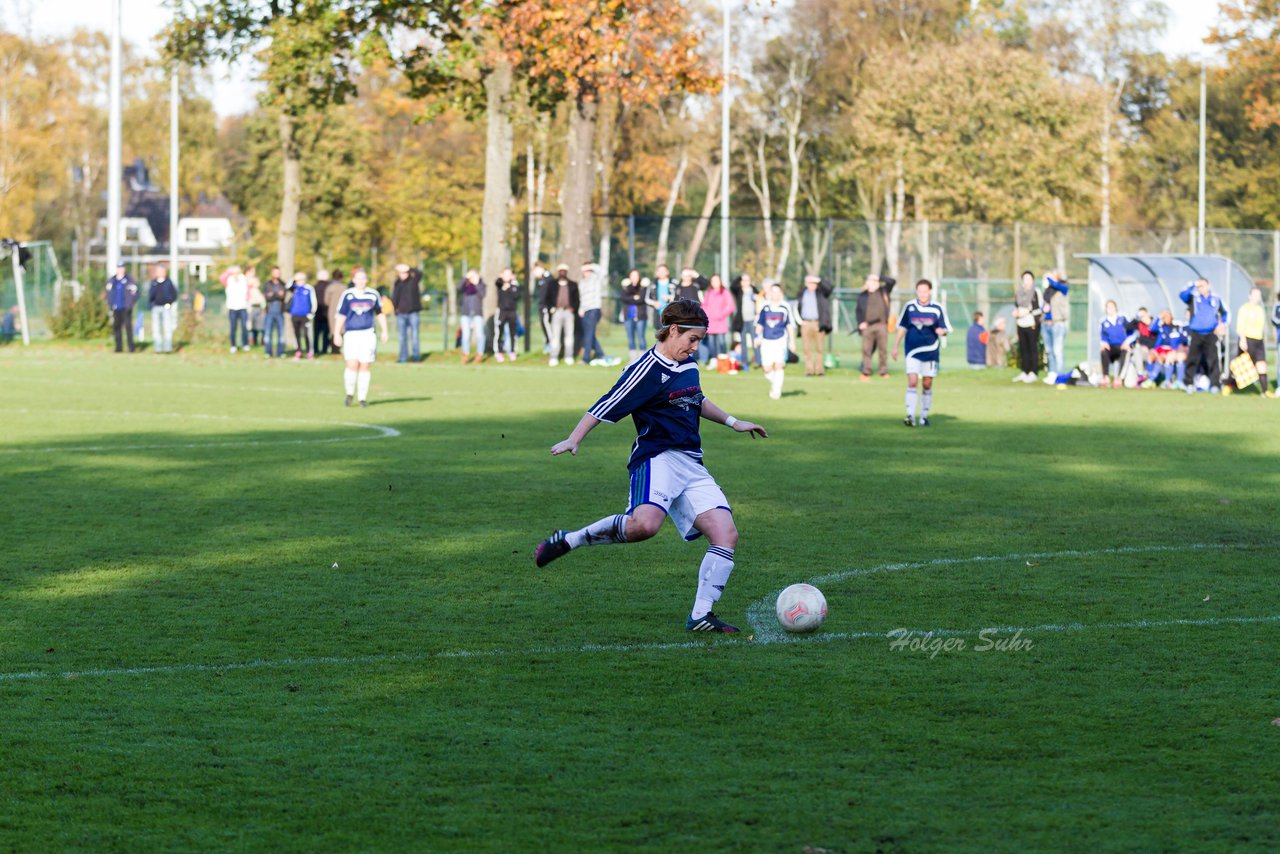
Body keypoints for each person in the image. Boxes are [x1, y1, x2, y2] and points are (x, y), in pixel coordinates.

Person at [532, 299, 769, 634]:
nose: (696, 346)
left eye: (700, 339)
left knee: (726, 534)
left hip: (691, 462)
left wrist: (733, 422)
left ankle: (701, 616)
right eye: (692, 339)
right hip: (657, 458)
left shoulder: (688, 364)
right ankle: (571, 540)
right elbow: (606, 403)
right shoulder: (645, 370)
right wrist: (575, 438)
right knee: (643, 527)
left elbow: (695, 398)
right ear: (672, 330)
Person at [892, 279, 951, 427]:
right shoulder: (910, 307)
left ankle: (923, 416)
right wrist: (895, 346)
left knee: (927, 383)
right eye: (919, 291)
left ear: (930, 291)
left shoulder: (937, 308)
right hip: (912, 350)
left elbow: (945, 329)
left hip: (931, 351)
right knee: (912, 381)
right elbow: (902, 327)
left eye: (925, 291)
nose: (922, 294)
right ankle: (910, 416)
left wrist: (941, 332)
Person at [333, 268, 389, 407]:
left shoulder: (372, 294)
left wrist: (385, 331)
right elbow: (341, 315)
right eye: (358, 278)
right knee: (352, 364)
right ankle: (349, 393)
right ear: (353, 280)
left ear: (366, 280)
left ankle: (362, 397)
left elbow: (379, 313)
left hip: (368, 333)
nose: (361, 281)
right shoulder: (348, 295)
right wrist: (336, 333)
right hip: (352, 334)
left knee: (365, 365)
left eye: (363, 278)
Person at [1179, 277, 1228, 393]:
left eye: (1203, 286)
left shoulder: (1216, 299)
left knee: (1213, 359)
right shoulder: (1194, 298)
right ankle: (1189, 383)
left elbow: (1226, 313)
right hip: (1196, 333)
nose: (1201, 288)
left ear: (1208, 285)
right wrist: (1193, 285)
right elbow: (1182, 295)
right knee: (1192, 359)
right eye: (1199, 286)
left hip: (1211, 333)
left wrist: (1222, 325)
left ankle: (1215, 384)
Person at [754, 281, 796, 400]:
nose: (775, 294)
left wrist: (792, 341)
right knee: (767, 369)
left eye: (778, 292)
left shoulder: (785, 307)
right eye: (773, 291)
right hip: (766, 341)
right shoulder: (765, 307)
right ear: (770, 293)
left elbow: (789, 325)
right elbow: (760, 323)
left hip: (780, 340)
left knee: (779, 365)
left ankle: (776, 391)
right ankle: (775, 384)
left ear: (781, 293)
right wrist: (757, 336)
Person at [1227, 286, 1270, 396]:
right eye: (1255, 295)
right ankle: (1228, 386)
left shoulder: (1260, 309)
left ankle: (1265, 391)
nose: (1257, 298)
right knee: (1241, 366)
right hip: (1247, 339)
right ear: (1250, 296)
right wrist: (1242, 339)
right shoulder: (1244, 308)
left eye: (1259, 295)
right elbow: (1241, 325)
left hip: (1258, 340)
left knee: (1262, 365)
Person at [856, 273, 895, 380]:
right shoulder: (863, 295)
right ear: (867, 283)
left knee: (882, 350)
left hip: (881, 325)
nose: (873, 283)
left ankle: (883, 371)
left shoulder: (883, 291)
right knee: (866, 350)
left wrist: (879, 277)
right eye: (871, 281)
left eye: (875, 281)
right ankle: (866, 371)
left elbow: (892, 281)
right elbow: (858, 311)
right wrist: (860, 322)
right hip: (868, 326)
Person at [541, 265, 579, 366]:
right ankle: (554, 357)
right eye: (561, 271)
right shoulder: (552, 284)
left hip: (568, 312)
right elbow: (547, 298)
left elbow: (576, 300)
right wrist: (551, 308)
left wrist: (573, 308)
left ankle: (569, 356)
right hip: (556, 312)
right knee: (555, 336)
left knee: (569, 336)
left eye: (564, 271)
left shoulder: (573, 285)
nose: (562, 272)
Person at [578, 261, 614, 366]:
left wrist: (591, 266)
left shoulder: (596, 279)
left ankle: (586, 358)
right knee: (589, 334)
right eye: (584, 270)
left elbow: (604, 272)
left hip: (594, 309)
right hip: (585, 310)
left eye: (587, 270)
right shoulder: (582, 282)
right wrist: (581, 308)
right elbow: (582, 297)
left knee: (588, 335)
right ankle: (600, 354)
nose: (586, 272)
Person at [1011, 270, 1041, 382]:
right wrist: (1016, 312)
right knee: (1023, 348)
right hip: (1021, 323)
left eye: (1029, 279)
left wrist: (1027, 312)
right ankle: (1025, 371)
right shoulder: (1019, 292)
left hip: (1032, 323)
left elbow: (1039, 309)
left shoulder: (1036, 292)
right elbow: (1016, 306)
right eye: (1025, 279)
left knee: (1032, 348)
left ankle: (1033, 371)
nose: (1026, 281)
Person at [391, 263, 423, 363]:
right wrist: (394, 308)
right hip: (400, 313)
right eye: (401, 273)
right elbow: (395, 297)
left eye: (405, 272)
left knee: (414, 336)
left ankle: (416, 357)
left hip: (413, 313)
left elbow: (419, 273)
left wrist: (409, 268)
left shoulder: (413, 281)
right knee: (402, 337)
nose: (403, 274)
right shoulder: (397, 283)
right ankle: (403, 358)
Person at [701, 274, 736, 366]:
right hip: (711, 322)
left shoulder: (725, 292)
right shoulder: (709, 293)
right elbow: (705, 305)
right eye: (713, 281)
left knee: (722, 342)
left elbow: (730, 306)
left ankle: (723, 361)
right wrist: (705, 314)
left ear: (720, 281)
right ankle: (713, 360)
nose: (715, 283)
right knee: (711, 342)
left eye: (717, 280)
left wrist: (721, 314)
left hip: (720, 322)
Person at [105, 262, 139, 353]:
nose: (120, 269)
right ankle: (118, 347)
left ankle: (131, 347)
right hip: (116, 308)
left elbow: (135, 293)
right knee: (116, 327)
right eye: (119, 268)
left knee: (128, 327)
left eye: (122, 268)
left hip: (126, 308)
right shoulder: (112, 281)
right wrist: (110, 303)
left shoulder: (129, 280)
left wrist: (130, 304)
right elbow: (108, 293)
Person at [1041, 271, 1070, 376]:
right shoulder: (1048, 290)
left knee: (1057, 351)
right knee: (1049, 351)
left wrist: (1048, 277)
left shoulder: (1063, 287)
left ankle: (1060, 374)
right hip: (1046, 323)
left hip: (1057, 324)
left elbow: (1056, 285)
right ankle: (1052, 374)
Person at [620, 269, 651, 364]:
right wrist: (634, 297)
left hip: (640, 316)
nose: (634, 278)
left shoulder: (643, 287)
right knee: (630, 338)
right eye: (632, 275)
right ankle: (633, 359)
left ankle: (643, 358)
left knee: (641, 337)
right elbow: (623, 298)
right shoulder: (626, 287)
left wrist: (631, 299)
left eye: (636, 275)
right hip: (628, 316)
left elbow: (641, 299)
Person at [1151, 309, 1188, 389]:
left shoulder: (1177, 327)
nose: (1166, 318)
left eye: (1168, 316)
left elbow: (1182, 340)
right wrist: (1159, 317)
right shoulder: (1161, 328)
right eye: (1165, 317)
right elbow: (1152, 328)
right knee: (1152, 356)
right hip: (1161, 350)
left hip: (1173, 350)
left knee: (1172, 357)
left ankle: (1179, 381)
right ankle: (1153, 380)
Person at [729, 273, 758, 371]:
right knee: (744, 343)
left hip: (753, 320)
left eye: (747, 280)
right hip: (742, 321)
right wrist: (740, 276)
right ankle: (745, 363)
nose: (745, 282)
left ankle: (758, 361)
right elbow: (732, 286)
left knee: (755, 341)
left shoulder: (754, 290)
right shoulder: (739, 291)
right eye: (743, 280)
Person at [147, 263, 178, 354]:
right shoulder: (154, 282)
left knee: (167, 327)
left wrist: (170, 302)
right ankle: (158, 348)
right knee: (156, 328)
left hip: (166, 308)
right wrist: (151, 304)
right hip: (156, 308)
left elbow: (174, 294)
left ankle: (168, 348)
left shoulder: (168, 282)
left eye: (162, 271)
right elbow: (150, 295)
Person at [1098, 300, 1130, 388]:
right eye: (1108, 307)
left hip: (1121, 346)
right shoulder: (1103, 321)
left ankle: (1119, 378)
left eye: (1111, 307)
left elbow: (1132, 331)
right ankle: (1105, 377)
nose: (1110, 309)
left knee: (1126, 351)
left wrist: (1127, 342)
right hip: (1110, 347)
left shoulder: (1123, 319)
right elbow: (1101, 335)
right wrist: (1103, 343)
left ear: (1115, 308)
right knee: (1103, 351)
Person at [458, 269, 486, 363]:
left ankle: (479, 354)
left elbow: (482, 295)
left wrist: (477, 284)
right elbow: (458, 288)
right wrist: (465, 278)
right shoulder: (466, 286)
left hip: (477, 313)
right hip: (466, 313)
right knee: (466, 335)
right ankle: (465, 355)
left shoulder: (481, 285)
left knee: (480, 335)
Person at [287, 271, 316, 359]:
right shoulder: (294, 288)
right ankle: (298, 351)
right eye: (298, 280)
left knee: (307, 334)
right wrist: (294, 278)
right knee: (297, 334)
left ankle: (309, 352)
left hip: (305, 316)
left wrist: (311, 314)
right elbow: (287, 286)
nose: (300, 281)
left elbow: (314, 302)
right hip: (295, 315)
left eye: (301, 279)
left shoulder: (309, 288)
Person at [495, 268, 521, 362]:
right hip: (502, 312)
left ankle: (512, 351)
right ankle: (498, 352)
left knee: (513, 332)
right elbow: (498, 283)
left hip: (512, 312)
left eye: (509, 274)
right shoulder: (499, 283)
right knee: (499, 332)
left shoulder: (515, 285)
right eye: (505, 274)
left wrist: (509, 286)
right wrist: (503, 282)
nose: (507, 276)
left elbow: (517, 296)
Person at [262, 266, 288, 358]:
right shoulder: (267, 284)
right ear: (272, 273)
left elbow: (282, 296)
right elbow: (267, 297)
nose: (277, 274)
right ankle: (268, 352)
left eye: (278, 272)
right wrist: (276, 294)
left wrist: (273, 294)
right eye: (275, 272)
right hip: (269, 312)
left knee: (281, 333)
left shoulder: (283, 284)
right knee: (268, 333)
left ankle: (280, 352)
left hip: (280, 312)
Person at [323, 270, 346, 357]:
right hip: (343, 312)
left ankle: (334, 349)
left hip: (332, 311)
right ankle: (337, 348)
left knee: (333, 330)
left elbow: (326, 301)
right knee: (341, 330)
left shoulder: (330, 288)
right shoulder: (344, 287)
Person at [313, 269, 333, 355]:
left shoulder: (314, 287)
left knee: (316, 333)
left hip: (317, 313)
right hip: (327, 313)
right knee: (325, 333)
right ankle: (324, 349)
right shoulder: (330, 287)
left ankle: (316, 349)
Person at [247, 273, 265, 348]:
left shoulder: (258, 291)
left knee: (259, 326)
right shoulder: (250, 291)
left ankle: (260, 341)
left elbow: (262, 301)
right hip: (252, 309)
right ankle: (252, 341)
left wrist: (263, 308)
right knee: (251, 327)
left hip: (259, 309)